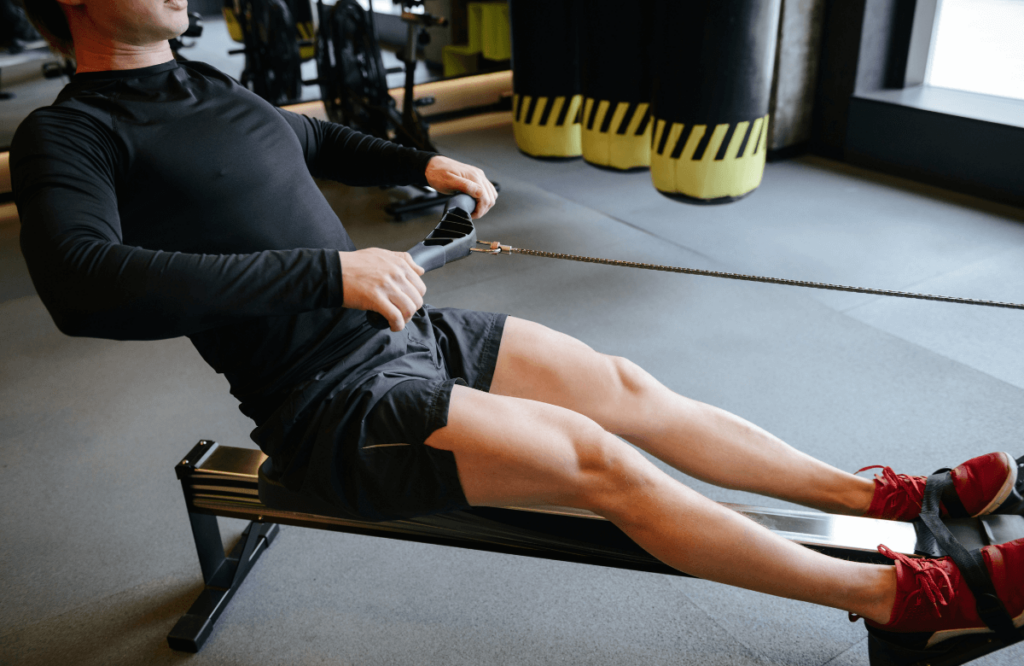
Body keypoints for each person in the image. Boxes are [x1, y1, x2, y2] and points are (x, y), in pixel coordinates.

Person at [10, 0, 1023, 656]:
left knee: (626, 385)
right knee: (602, 462)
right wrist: (327, 272)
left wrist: (418, 166)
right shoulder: (69, 132)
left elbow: (302, 136)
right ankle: (911, 603)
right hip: (332, 408)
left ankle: (887, 496)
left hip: (404, 332)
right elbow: (85, 284)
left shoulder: (206, 83)